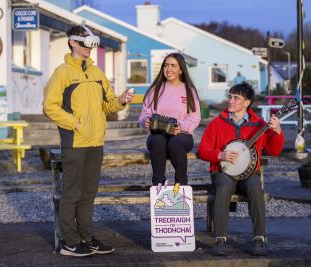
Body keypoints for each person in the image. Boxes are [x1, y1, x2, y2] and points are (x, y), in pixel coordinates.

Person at [43, 25, 133, 257]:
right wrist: (74, 122)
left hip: (96, 142)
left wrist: (121, 101)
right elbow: (49, 107)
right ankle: (69, 242)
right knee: (72, 193)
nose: (89, 49)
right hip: (75, 141)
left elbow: (108, 104)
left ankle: (86, 237)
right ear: (72, 43)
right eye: (85, 44)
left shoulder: (97, 73)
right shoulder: (62, 73)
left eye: (92, 45)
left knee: (88, 194)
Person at [198, 82, 284, 256]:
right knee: (223, 187)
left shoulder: (259, 125)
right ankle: (220, 239)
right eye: (229, 96)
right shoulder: (216, 123)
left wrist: (277, 131)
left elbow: (275, 150)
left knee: (255, 187)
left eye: (236, 98)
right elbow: (202, 150)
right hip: (222, 172)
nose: (230, 101)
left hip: (249, 173)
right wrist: (219, 156)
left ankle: (260, 238)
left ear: (247, 103)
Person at [139, 53, 201, 186]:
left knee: (175, 143)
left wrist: (181, 126)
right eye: (166, 65)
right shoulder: (154, 90)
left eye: (173, 65)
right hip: (158, 135)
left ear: (181, 69)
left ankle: (181, 183)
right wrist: (146, 121)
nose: (169, 69)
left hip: (182, 135)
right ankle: (158, 182)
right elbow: (144, 113)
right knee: (158, 140)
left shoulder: (189, 91)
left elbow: (195, 118)